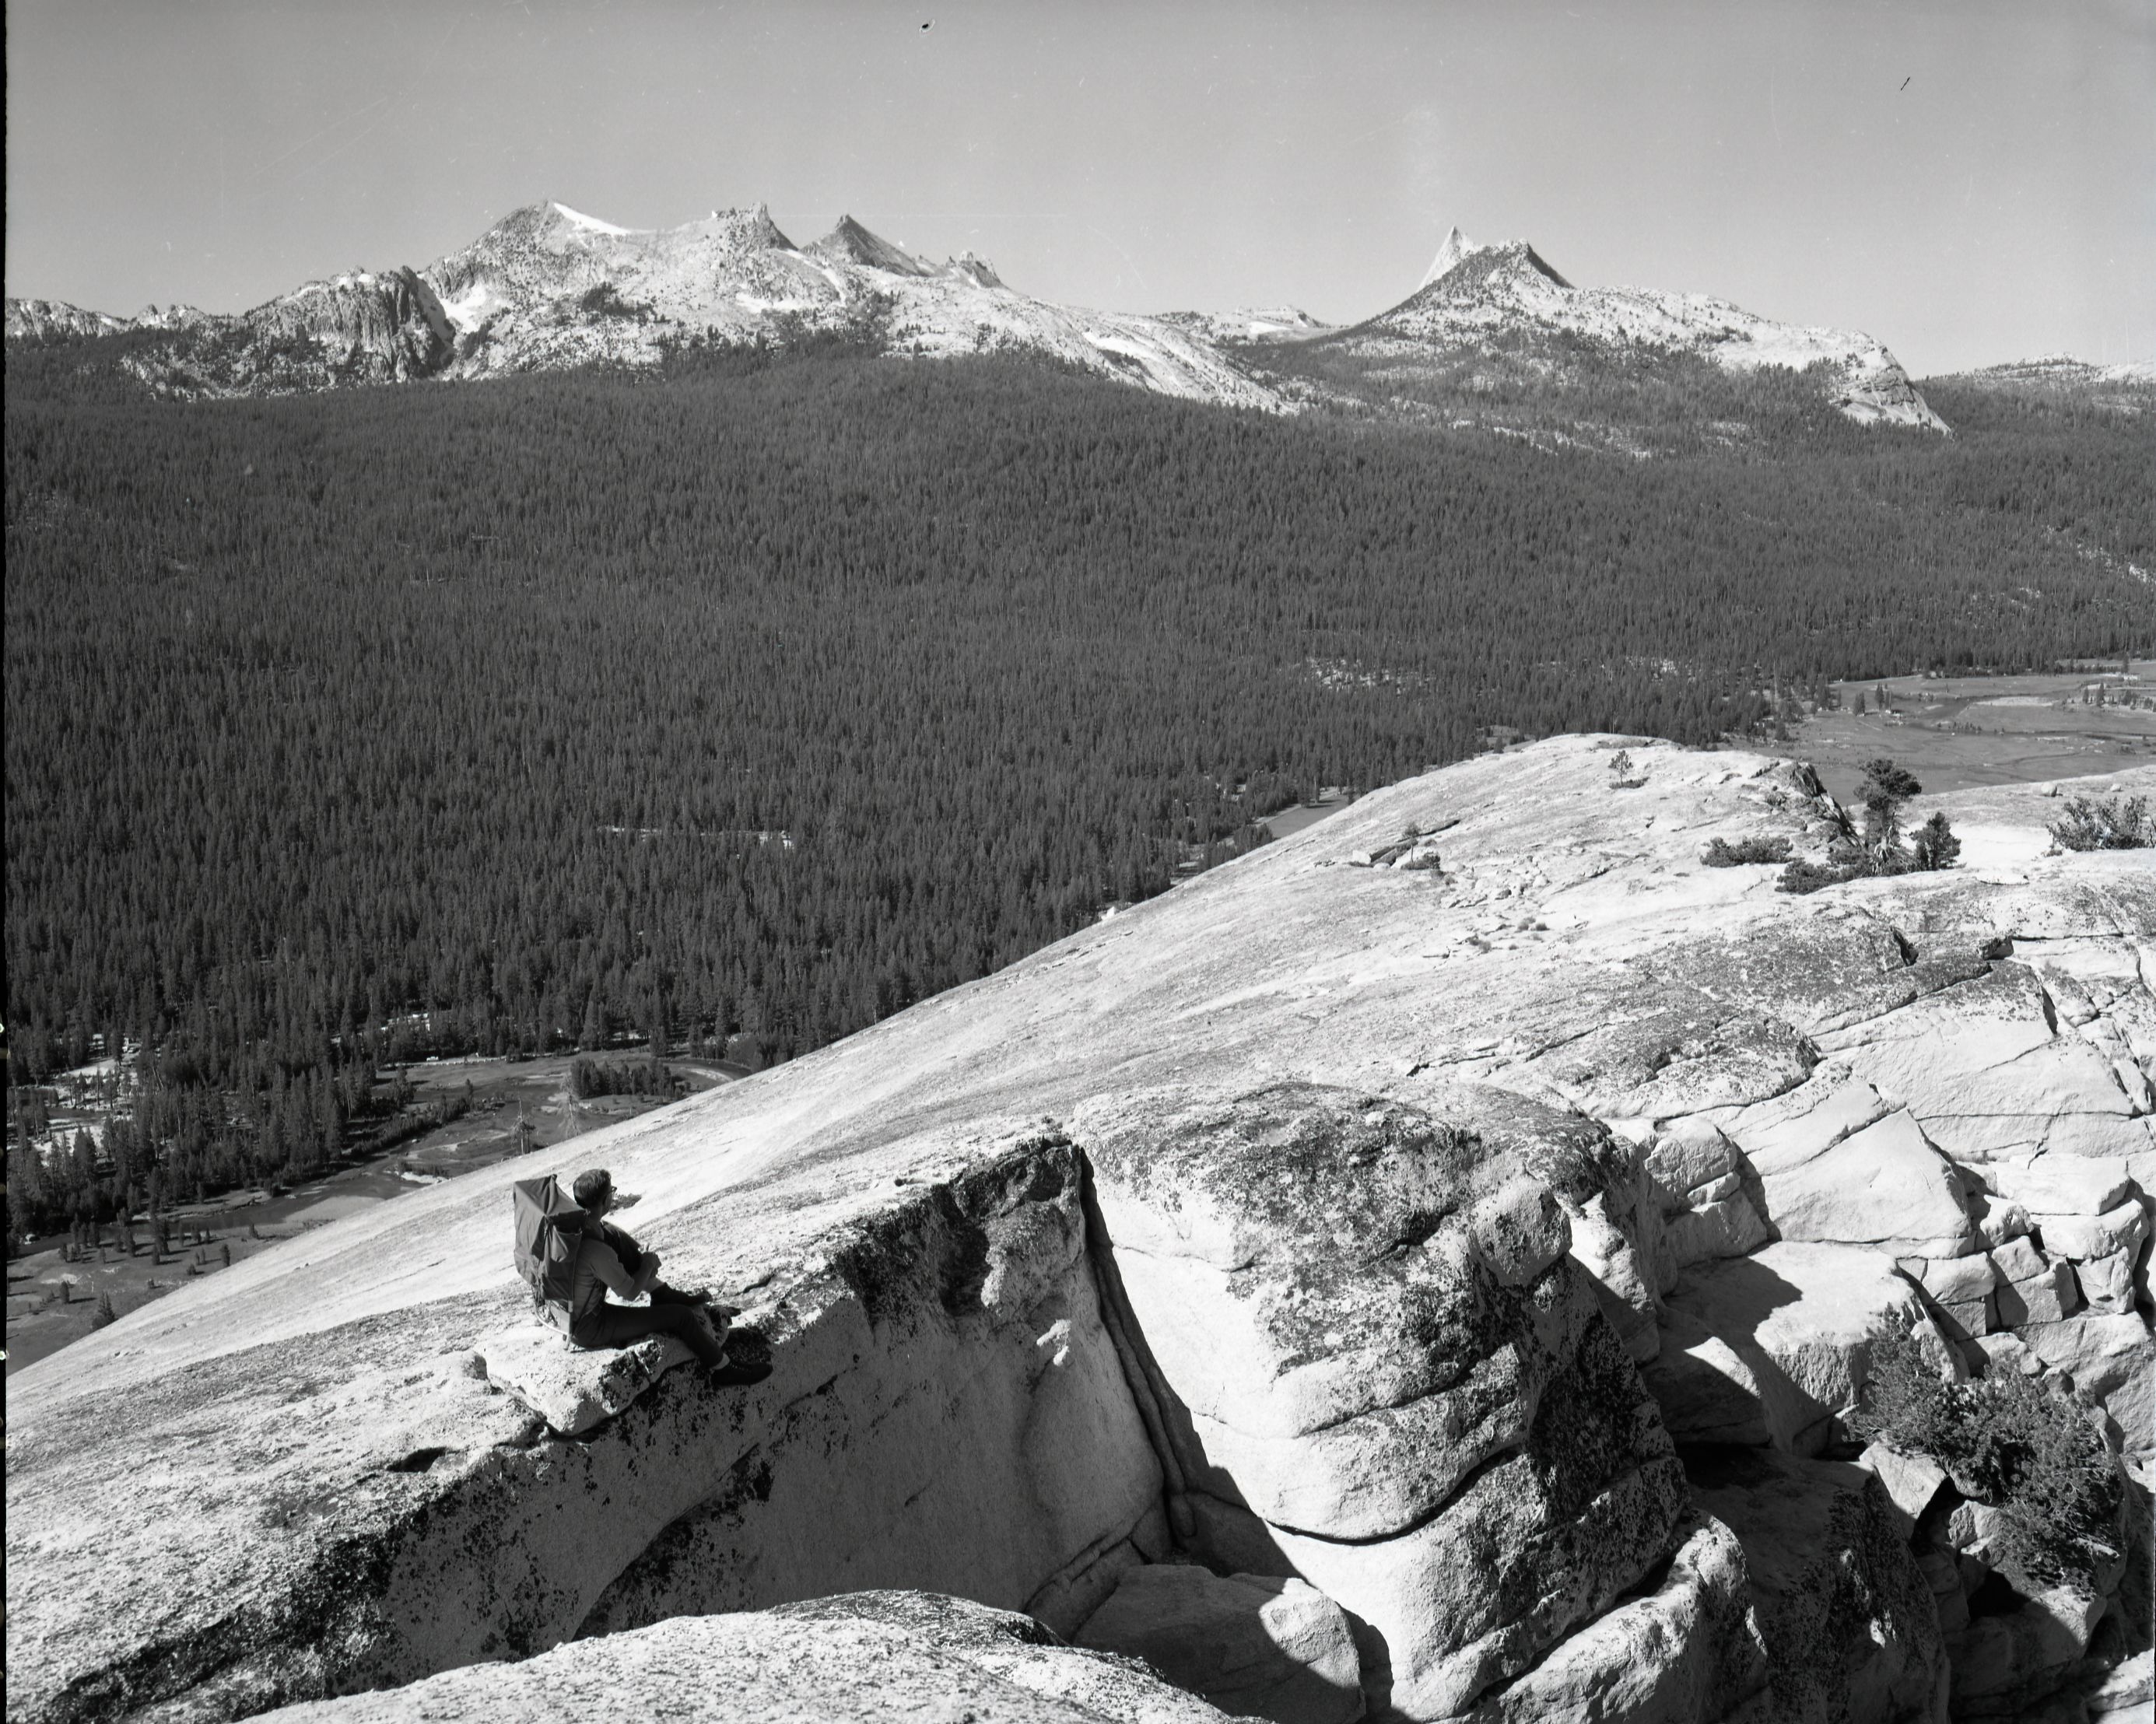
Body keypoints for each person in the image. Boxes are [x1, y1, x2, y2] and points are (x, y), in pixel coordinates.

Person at [563, 1168, 769, 1384]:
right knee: (682, 1317)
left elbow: (611, 1238)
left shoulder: (581, 1227)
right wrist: (648, 1264)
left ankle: (661, 1292)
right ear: (606, 1200)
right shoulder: (596, 1251)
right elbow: (630, 1293)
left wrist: (642, 1261)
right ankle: (724, 1369)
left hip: (575, 1316)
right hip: (590, 1326)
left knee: (612, 1234)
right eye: (612, 1191)